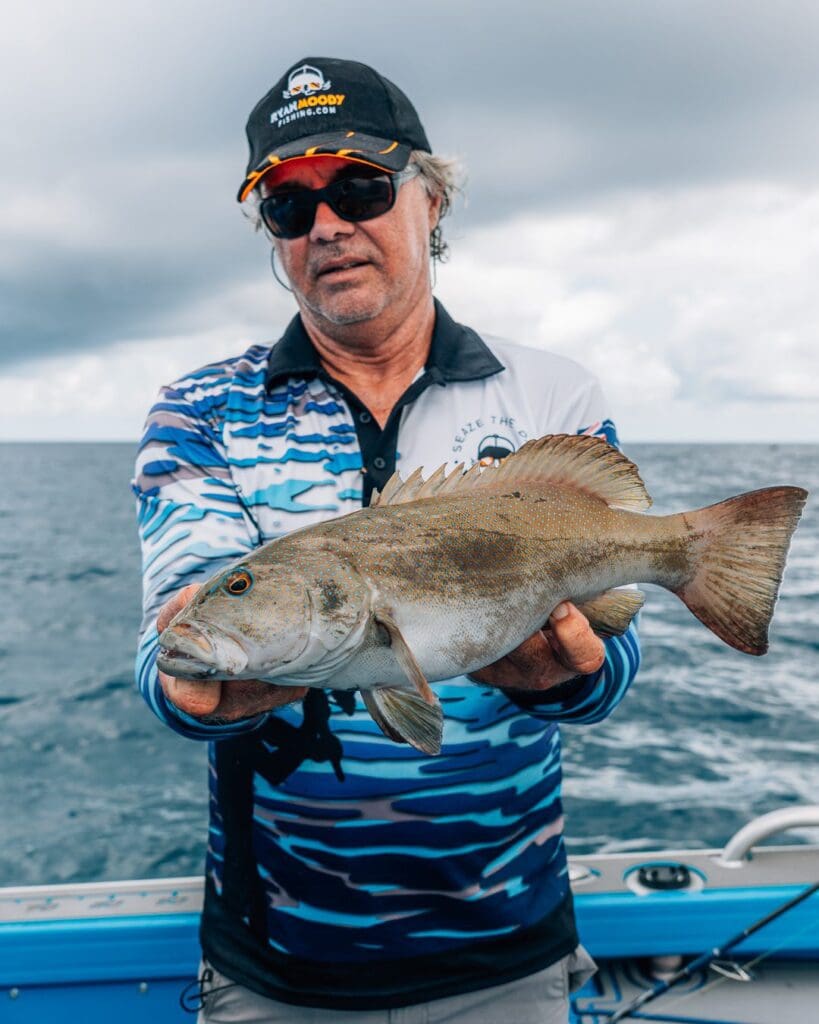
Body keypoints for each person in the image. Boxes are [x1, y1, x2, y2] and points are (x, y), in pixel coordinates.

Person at [134, 57, 640, 1024]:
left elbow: (608, 674)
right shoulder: (199, 411)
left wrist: (564, 673)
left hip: (510, 941)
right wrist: (194, 677)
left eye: (360, 187)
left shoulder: (550, 396)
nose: (326, 224)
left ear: (432, 199)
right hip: (278, 961)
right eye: (289, 206)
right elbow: (175, 671)